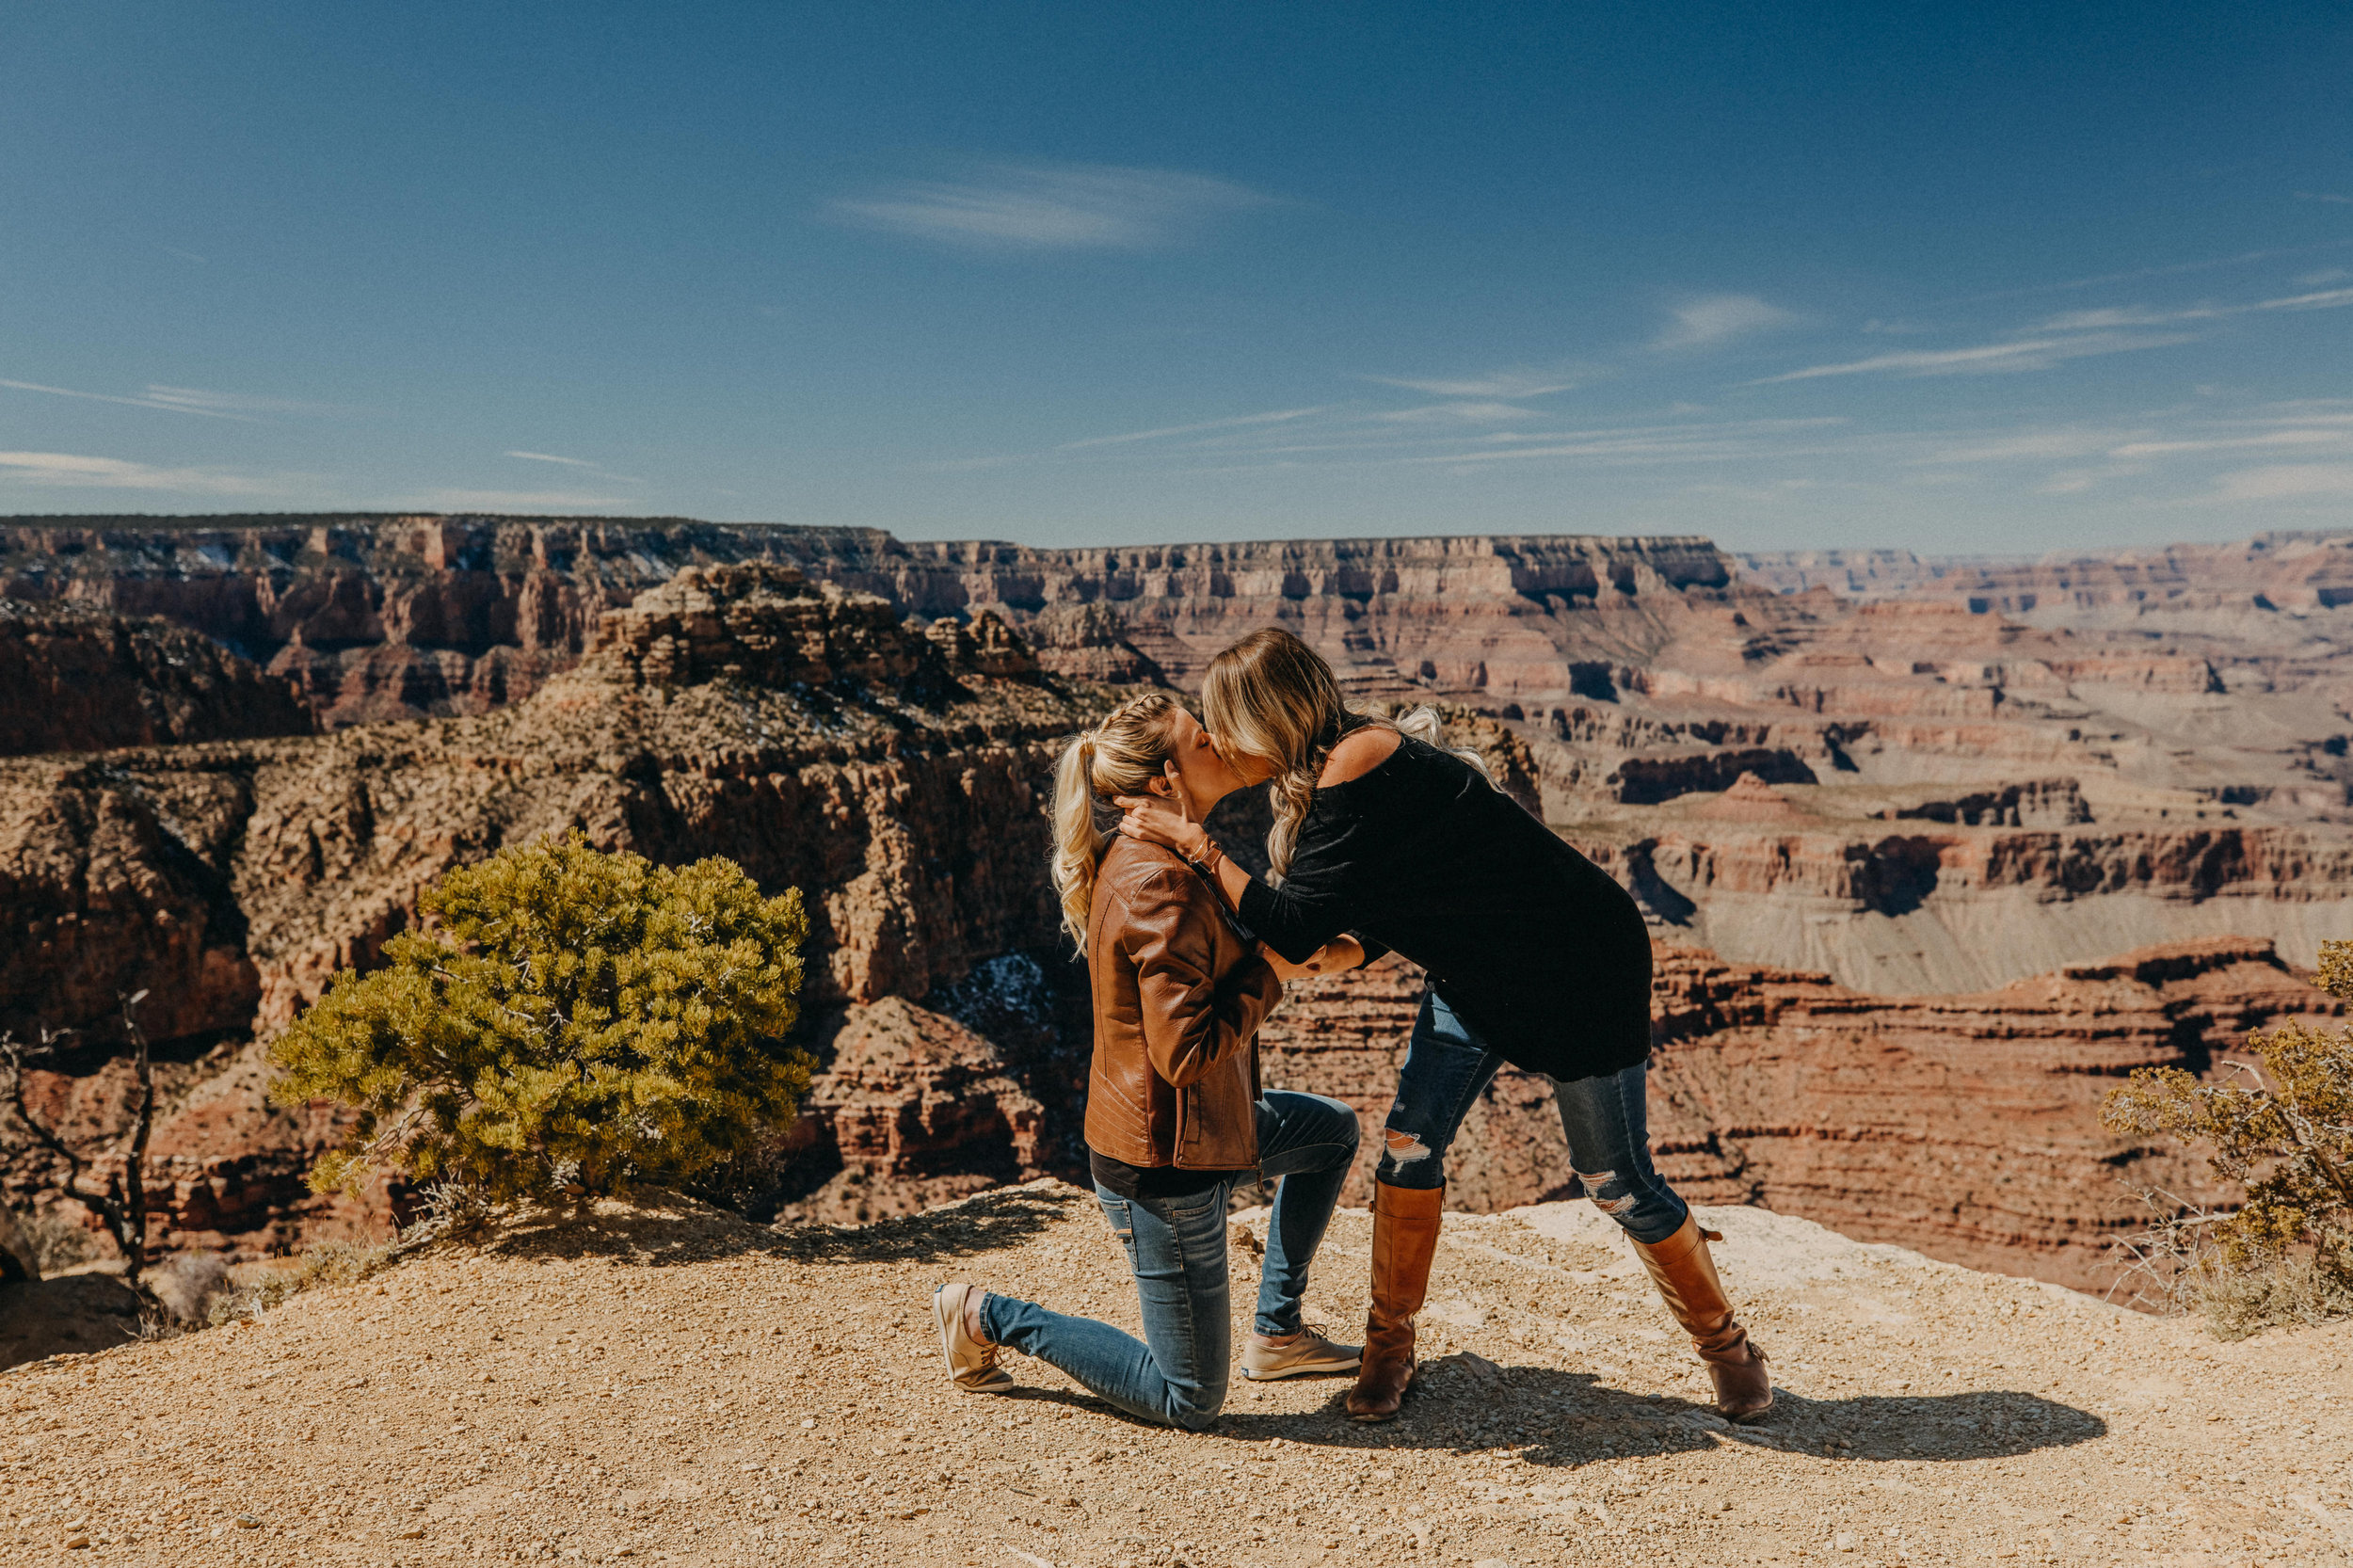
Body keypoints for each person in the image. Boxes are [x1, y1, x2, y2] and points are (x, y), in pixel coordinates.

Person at [1113, 629, 1772, 1424]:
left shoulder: (1355, 763)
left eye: (1225, 724)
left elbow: (1292, 927)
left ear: (1268, 713)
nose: (1221, 743)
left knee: (1615, 1181)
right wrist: (1345, 955)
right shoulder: (1333, 773)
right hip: (1476, 976)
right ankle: (1389, 1351)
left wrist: (1194, 842)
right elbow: (1404, 897)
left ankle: (1727, 1348)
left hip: (1577, 969)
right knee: (1408, 1148)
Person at [931, 691, 1363, 1431]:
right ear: (1166, 776)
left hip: (1208, 1129)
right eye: (1204, 737)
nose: (1222, 739)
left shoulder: (1166, 855)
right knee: (1188, 1399)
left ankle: (1279, 1333)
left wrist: (1300, 953)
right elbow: (1185, 1053)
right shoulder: (1157, 883)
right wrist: (1275, 973)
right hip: (1165, 1168)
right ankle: (985, 1315)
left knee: (1330, 1132)